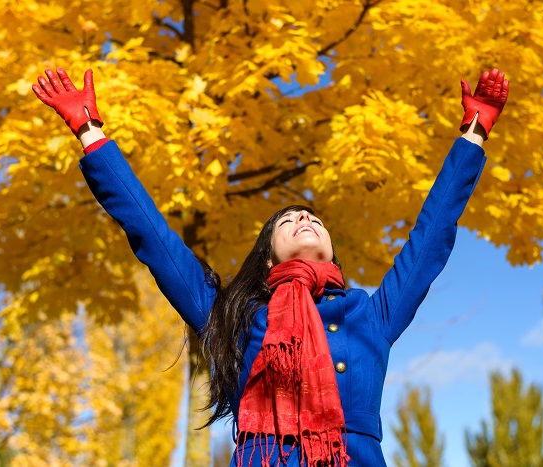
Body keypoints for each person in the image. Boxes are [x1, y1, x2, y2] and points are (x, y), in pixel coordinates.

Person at [33, 67, 508, 467]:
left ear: (331, 251)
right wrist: (90, 133)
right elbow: (153, 238)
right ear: (267, 257)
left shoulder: (371, 313)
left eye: (312, 218)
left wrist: (474, 133)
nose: (304, 217)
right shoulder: (231, 317)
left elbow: (432, 235)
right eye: (288, 219)